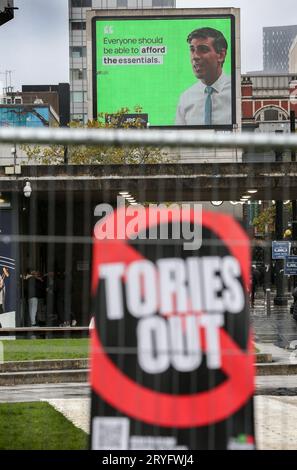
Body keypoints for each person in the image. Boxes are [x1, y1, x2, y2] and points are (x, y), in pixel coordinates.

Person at [175, 27, 231, 126]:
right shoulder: (186, 97)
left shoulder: (235, 92)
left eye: (203, 50)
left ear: (221, 55)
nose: (195, 56)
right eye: (192, 50)